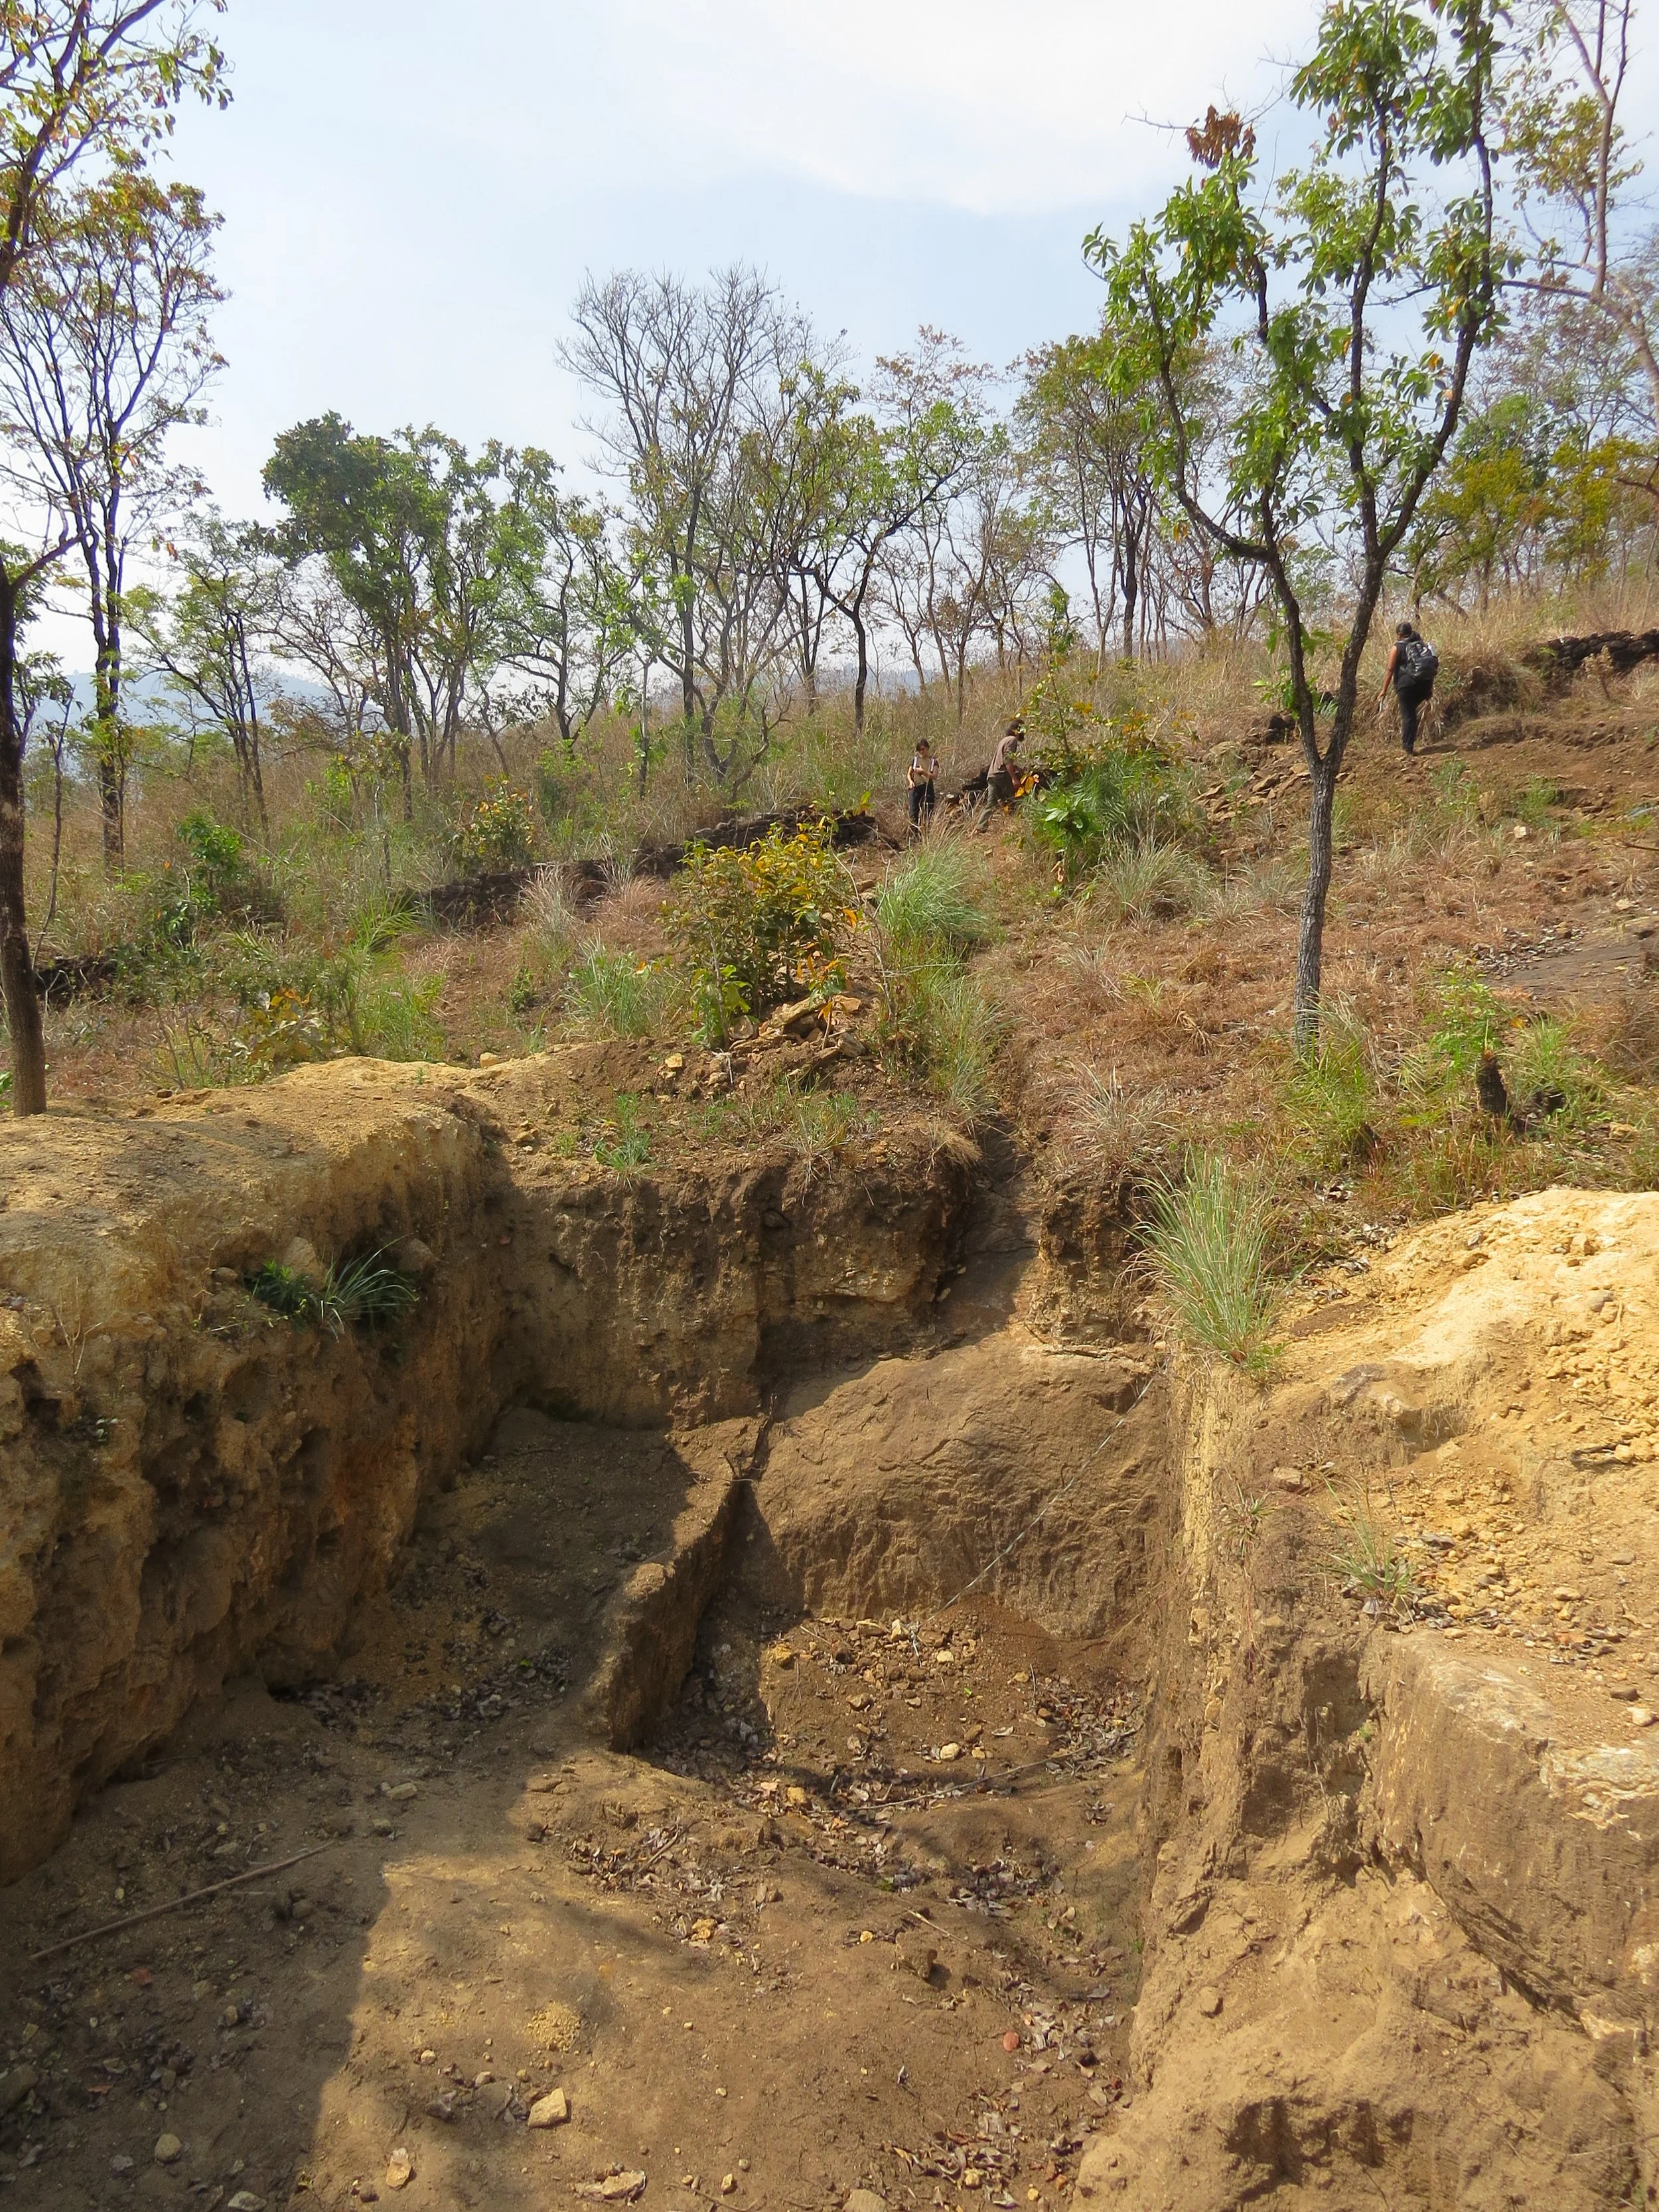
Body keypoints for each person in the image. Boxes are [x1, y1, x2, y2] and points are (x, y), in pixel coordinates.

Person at [1380, 620, 1439, 756]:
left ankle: (1407, 748)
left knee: (1408, 716)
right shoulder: (1423, 646)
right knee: (1411, 715)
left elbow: (1390, 670)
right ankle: (1409, 744)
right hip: (1423, 685)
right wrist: (1430, 689)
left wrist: (1384, 690)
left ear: (1399, 635)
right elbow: (1431, 666)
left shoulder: (1397, 648)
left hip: (1405, 685)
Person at [981, 718, 1025, 824]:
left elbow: (1001, 759)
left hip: (992, 775)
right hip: (1001, 775)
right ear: (1018, 730)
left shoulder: (1004, 740)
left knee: (990, 805)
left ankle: (980, 827)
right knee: (1016, 798)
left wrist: (1016, 768)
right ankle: (1017, 823)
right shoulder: (1012, 740)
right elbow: (1007, 761)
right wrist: (1014, 779)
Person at [906, 737, 938, 832]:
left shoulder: (933, 761)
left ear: (927, 748)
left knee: (926, 814)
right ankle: (913, 837)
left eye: (923, 749)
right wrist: (911, 782)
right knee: (913, 814)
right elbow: (909, 774)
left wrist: (923, 772)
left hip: (927, 787)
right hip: (916, 787)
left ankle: (924, 835)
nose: (921, 752)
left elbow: (935, 776)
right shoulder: (915, 760)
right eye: (919, 750)